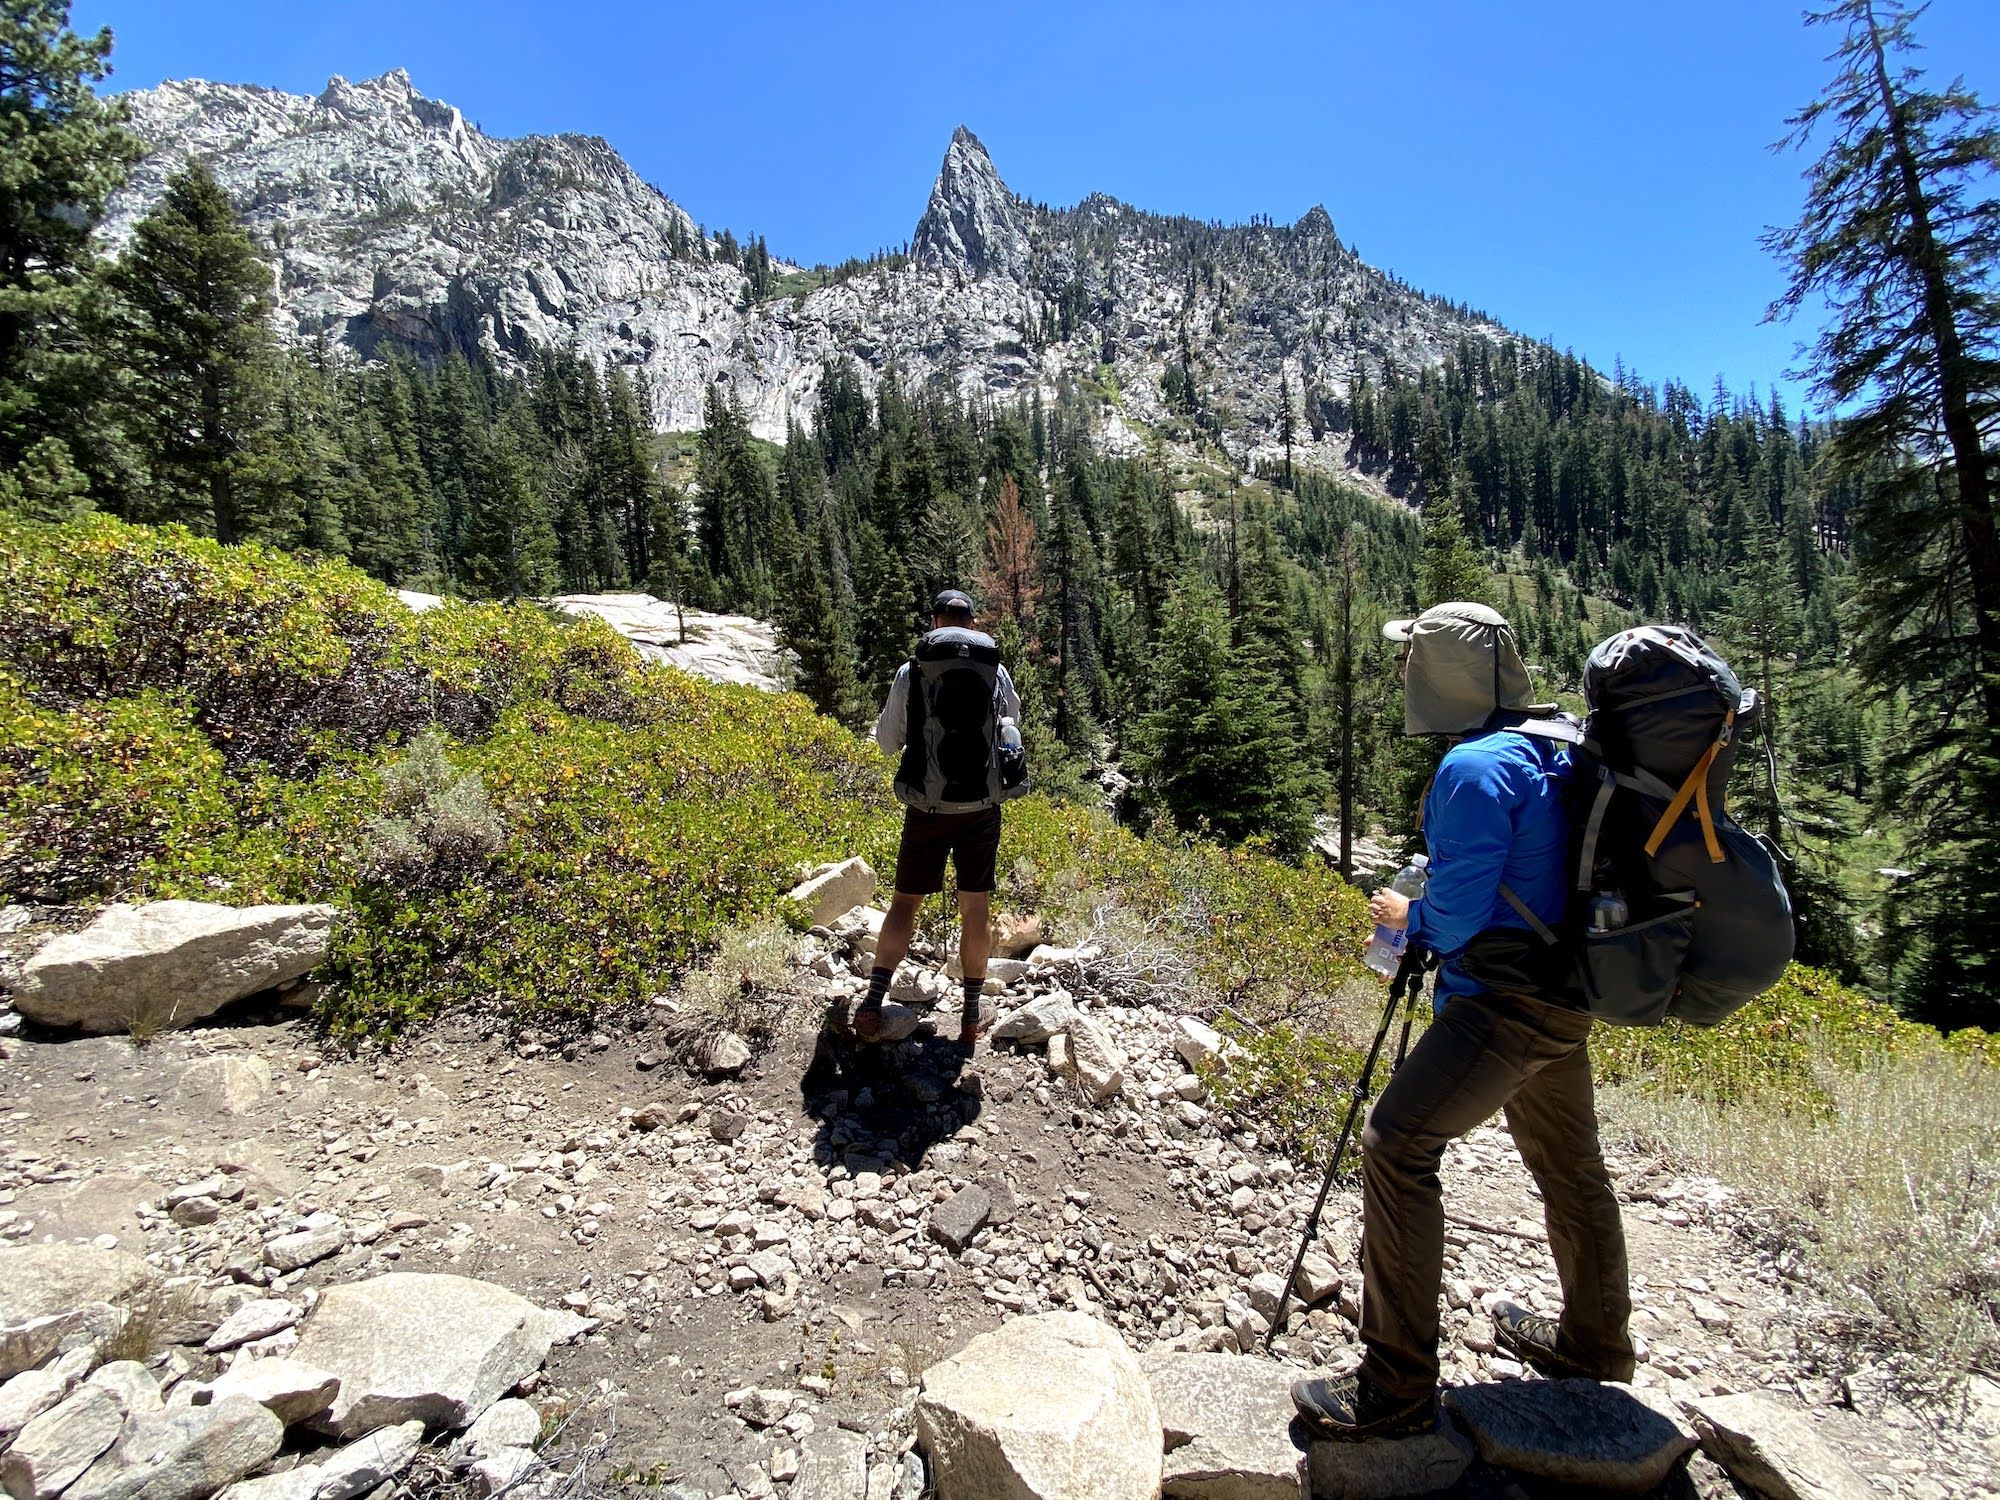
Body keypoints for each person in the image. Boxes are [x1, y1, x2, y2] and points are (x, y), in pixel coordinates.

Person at [1292, 601, 1637, 1440]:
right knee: (1569, 1162)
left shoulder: (1475, 767)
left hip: (1502, 1001)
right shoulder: (1560, 743)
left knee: (1397, 1145)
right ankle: (1596, 1349)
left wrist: (1406, 917)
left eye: (1413, 659)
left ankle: (1396, 1389)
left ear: (1443, 673)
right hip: (1569, 993)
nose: (1404, 672)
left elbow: (1458, 911)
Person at [858, 589, 1023, 1047]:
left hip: (927, 808)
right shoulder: (996, 669)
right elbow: (1011, 726)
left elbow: (887, 743)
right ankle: (971, 1015)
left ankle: (874, 1000)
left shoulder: (912, 670)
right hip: (982, 810)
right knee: (976, 908)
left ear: (935, 621)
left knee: (905, 902)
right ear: (971, 623)